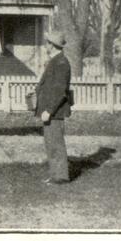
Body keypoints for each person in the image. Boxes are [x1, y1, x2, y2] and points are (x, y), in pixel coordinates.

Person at [34, 30, 72, 184]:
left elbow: (59, 91)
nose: (46, 45)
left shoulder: (61, 63)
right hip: (50, 111)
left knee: (56, 144)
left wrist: (49, 110)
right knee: (51, 143)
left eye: (48, 42)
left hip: (54, 111)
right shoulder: (55, 61)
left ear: (53, 45)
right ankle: (55, 175)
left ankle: (61, 176)